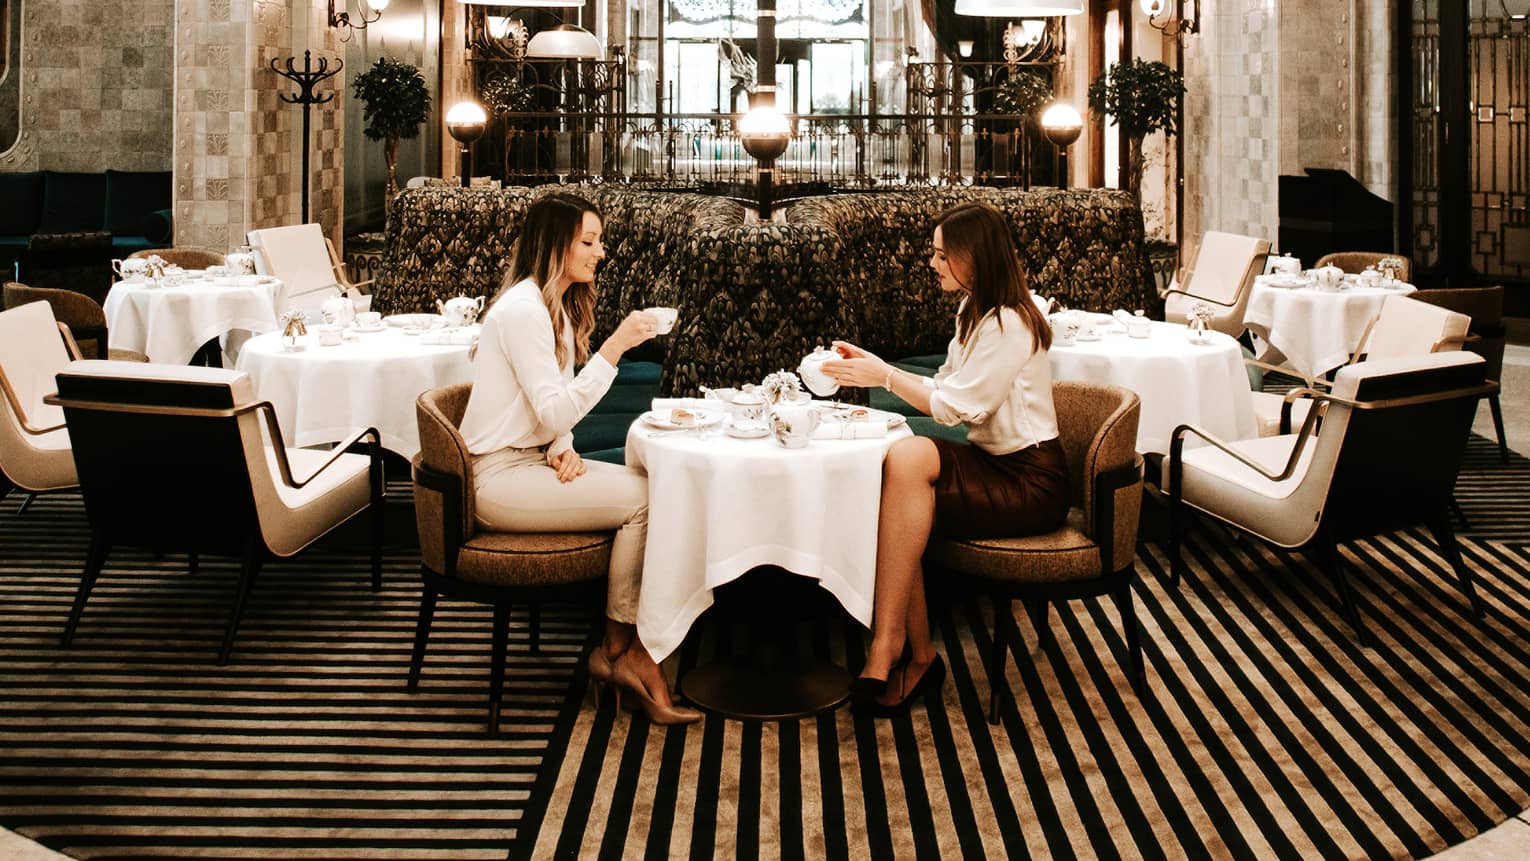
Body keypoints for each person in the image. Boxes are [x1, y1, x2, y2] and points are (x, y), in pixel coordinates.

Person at [458, 192, 701, 725]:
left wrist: (560, 447)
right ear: (554, 246)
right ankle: (618, 652)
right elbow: (551, 407)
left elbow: (546, 410)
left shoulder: (554, 308)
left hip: (526, 462)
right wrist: (615, 348)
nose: (601, 252)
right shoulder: (523, 311)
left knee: (653, 484)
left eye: (599, 241)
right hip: (496, 478)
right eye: (589, 242)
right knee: (648, 499)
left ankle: (621, 652)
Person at [821, 201, 1069, 715]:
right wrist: (879, 367)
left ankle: (894, 648)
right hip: (995, 465)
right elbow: (949, 386)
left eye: (940, 255)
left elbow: (956, 409)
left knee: (907, 461)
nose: (931, 263)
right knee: (901, 462)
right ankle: (911, 651)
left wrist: (882, 376)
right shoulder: (974, 311)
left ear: (973, 259)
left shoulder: (1011, 323)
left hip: (1030, 481)